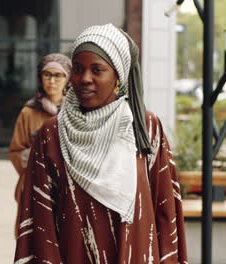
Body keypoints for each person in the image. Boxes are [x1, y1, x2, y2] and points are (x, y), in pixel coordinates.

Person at [14, 24, 188, 263]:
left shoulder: (144, 127)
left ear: (118, 76)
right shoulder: (52, 133)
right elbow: (41, 216)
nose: (85, 79)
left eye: (97, 70)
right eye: (77, 69)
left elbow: (165, 209)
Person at [8, 53, 71, 235]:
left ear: (67, 79)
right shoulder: (28, 112)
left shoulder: (76, 112)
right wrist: (39, 156)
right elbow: (15, 151)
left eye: (58, 75)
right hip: (34, 187)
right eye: (47, 75)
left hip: (67, 189)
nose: (52, 80)